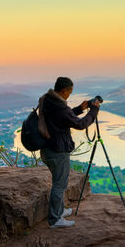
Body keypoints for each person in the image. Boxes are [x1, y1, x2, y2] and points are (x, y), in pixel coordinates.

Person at [38, 77, 100, 228]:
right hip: (57, 151)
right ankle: (55, 220)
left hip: (47, 147)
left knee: (59, 183)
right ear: (64, 90)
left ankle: (58, 211)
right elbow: (80, 124)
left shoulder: (48, 100)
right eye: (70, 91)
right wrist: (94, 110)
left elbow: (62, 119)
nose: (70, 94)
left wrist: (79, 109)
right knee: (59, 185)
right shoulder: (60, 107)